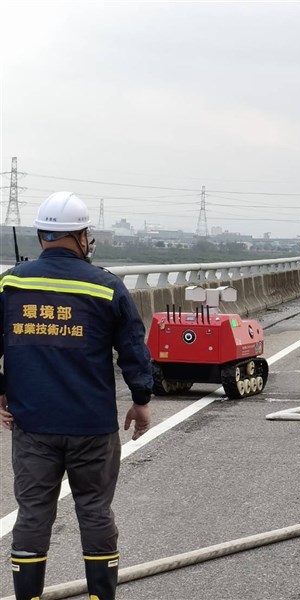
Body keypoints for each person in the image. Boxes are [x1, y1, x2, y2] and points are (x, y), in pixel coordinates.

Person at [0, 191, 153, 600]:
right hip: (92, 427)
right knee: (95, 511)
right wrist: (141, 399)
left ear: (42, 235)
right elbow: (133, 349)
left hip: (33, 425)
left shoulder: (12, 283)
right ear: (82, 236)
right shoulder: (106, 286)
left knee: (33, 514)